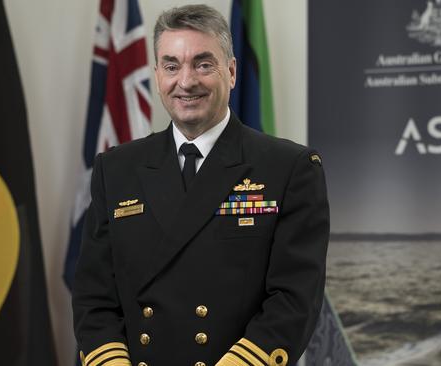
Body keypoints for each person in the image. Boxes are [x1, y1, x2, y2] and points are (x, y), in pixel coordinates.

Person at [72, 5, 329, 366]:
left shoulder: (288, 169)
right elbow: (94, 296)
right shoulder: (115, 170)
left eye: (203, 64)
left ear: (232, 71)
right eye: (172, 65)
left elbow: (294, 298)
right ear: (157, 74)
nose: (186, 81)